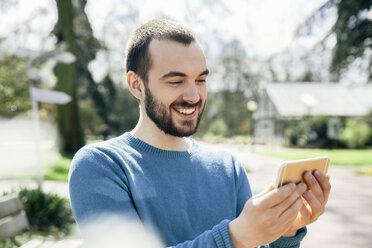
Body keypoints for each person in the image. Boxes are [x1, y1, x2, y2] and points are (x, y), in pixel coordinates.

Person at [69, 19, 331, 248]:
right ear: (136, 85)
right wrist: (235, 237)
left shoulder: (227, 167)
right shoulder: (101, 165)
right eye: (176, 81)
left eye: (201, 80)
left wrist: (285, 233)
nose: (194, 96)